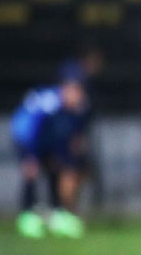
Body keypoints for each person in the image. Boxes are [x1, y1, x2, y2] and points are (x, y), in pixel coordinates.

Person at [11, 73, 91, 239]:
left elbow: (63, 135)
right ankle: (27, 216)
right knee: (31, 172)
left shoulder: (76, 108)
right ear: (66, 89)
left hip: (46, 142)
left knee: (55, 170)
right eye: (76, 91)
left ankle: (56, 214)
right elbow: (29, 129)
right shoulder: (49, 104)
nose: (79, 96)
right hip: (26, 138)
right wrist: (29, 156)